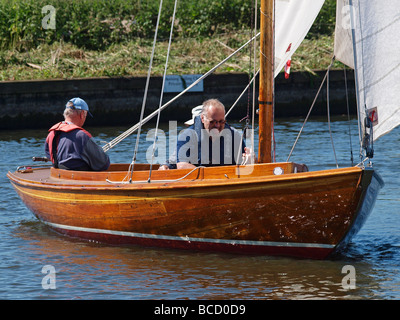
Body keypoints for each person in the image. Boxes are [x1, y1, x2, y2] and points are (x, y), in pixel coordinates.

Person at [159, 99, 248, 170]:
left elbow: (246, 163)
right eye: (212, 122)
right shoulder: (188, 136)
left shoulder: (234, 135)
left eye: (221, 121)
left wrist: (250, 159)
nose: (217, 126)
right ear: (202, 119)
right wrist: (166, 166)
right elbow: (180, 165)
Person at [45, 97, 110, 171]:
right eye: (86, 115)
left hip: (59, 176)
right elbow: (104, 164)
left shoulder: (51, 133)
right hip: (81, 178)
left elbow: (49, 155)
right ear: (82, 114)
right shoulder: (82, 136)